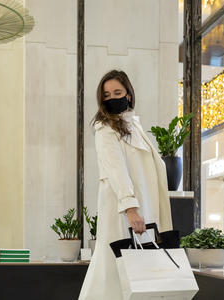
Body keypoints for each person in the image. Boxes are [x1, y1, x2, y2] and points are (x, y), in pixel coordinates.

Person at [79, 70, 173, 300]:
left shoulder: (134, 126)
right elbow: (116, 170)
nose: (112, 98)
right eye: (107, 94)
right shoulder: (105, 129)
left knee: (137, 275)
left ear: (129, 95)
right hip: (125, 211)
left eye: (117, 92)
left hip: (144, 210)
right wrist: (131, 208)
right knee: (113, 272)